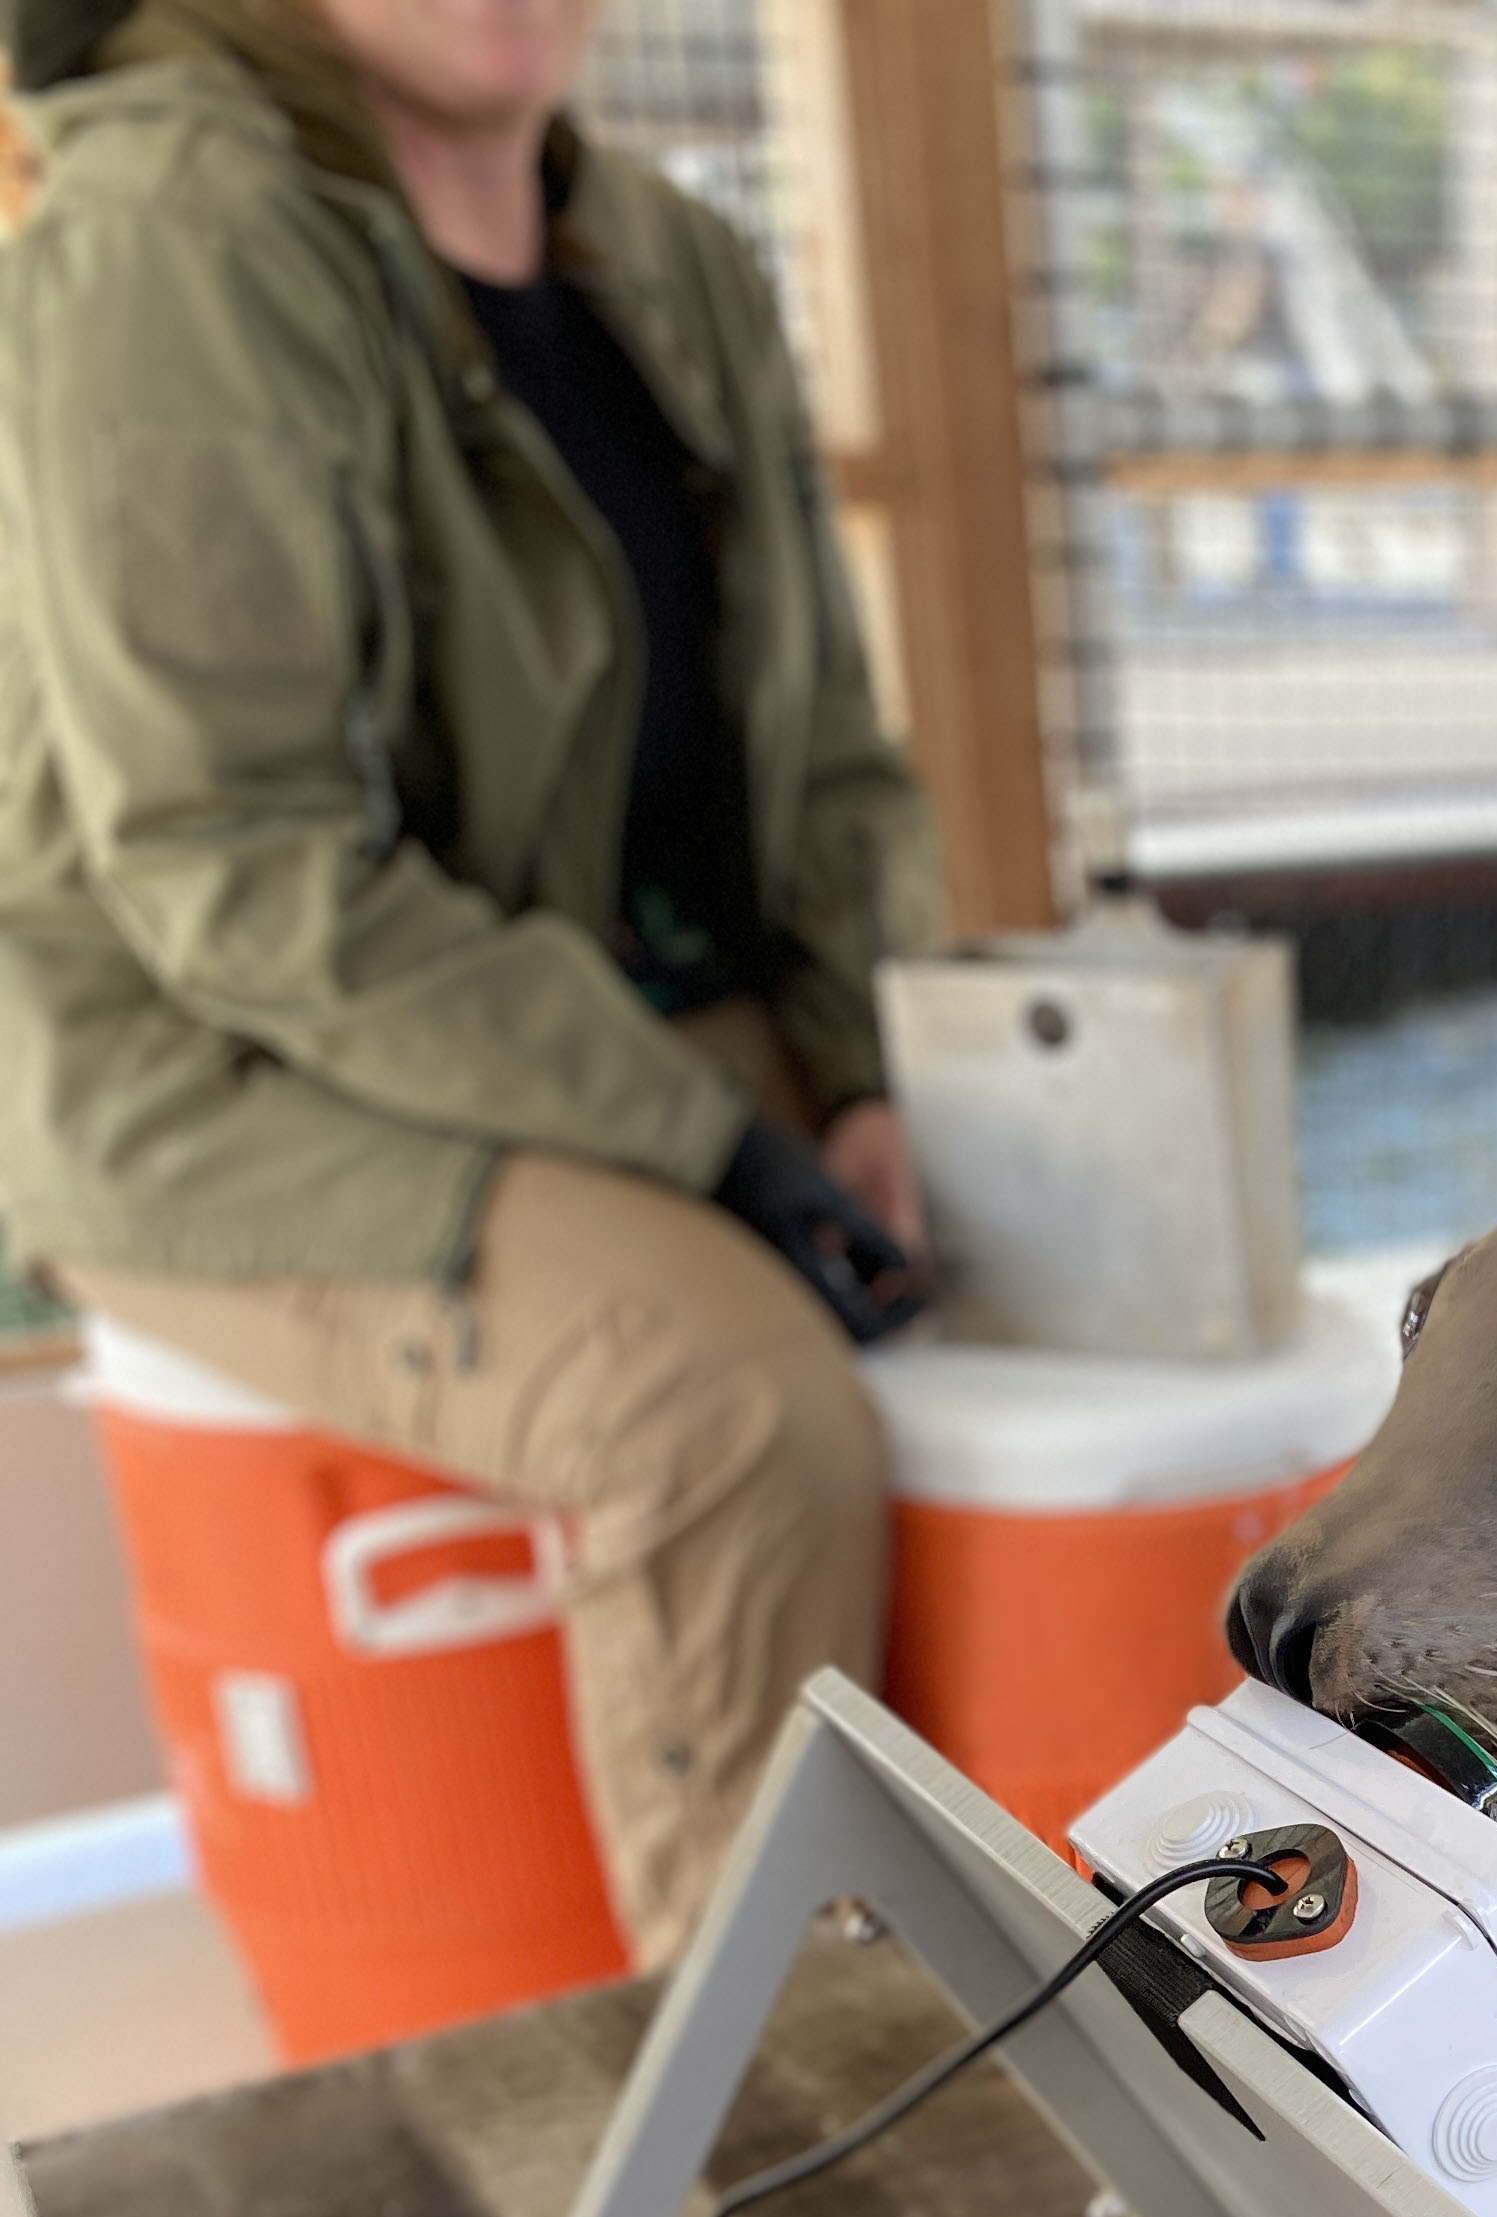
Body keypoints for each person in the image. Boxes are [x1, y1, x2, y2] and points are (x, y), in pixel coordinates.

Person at [0, 0, 937, 1963]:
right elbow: (231, 862)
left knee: (1058, 1249)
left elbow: (826, 756)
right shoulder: (173, 236)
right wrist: (703, 1141)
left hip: (569, 1017)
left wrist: (874, 1075)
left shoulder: (672, 256)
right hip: (211, 1062)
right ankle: (772, 2156)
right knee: (729, 1407)